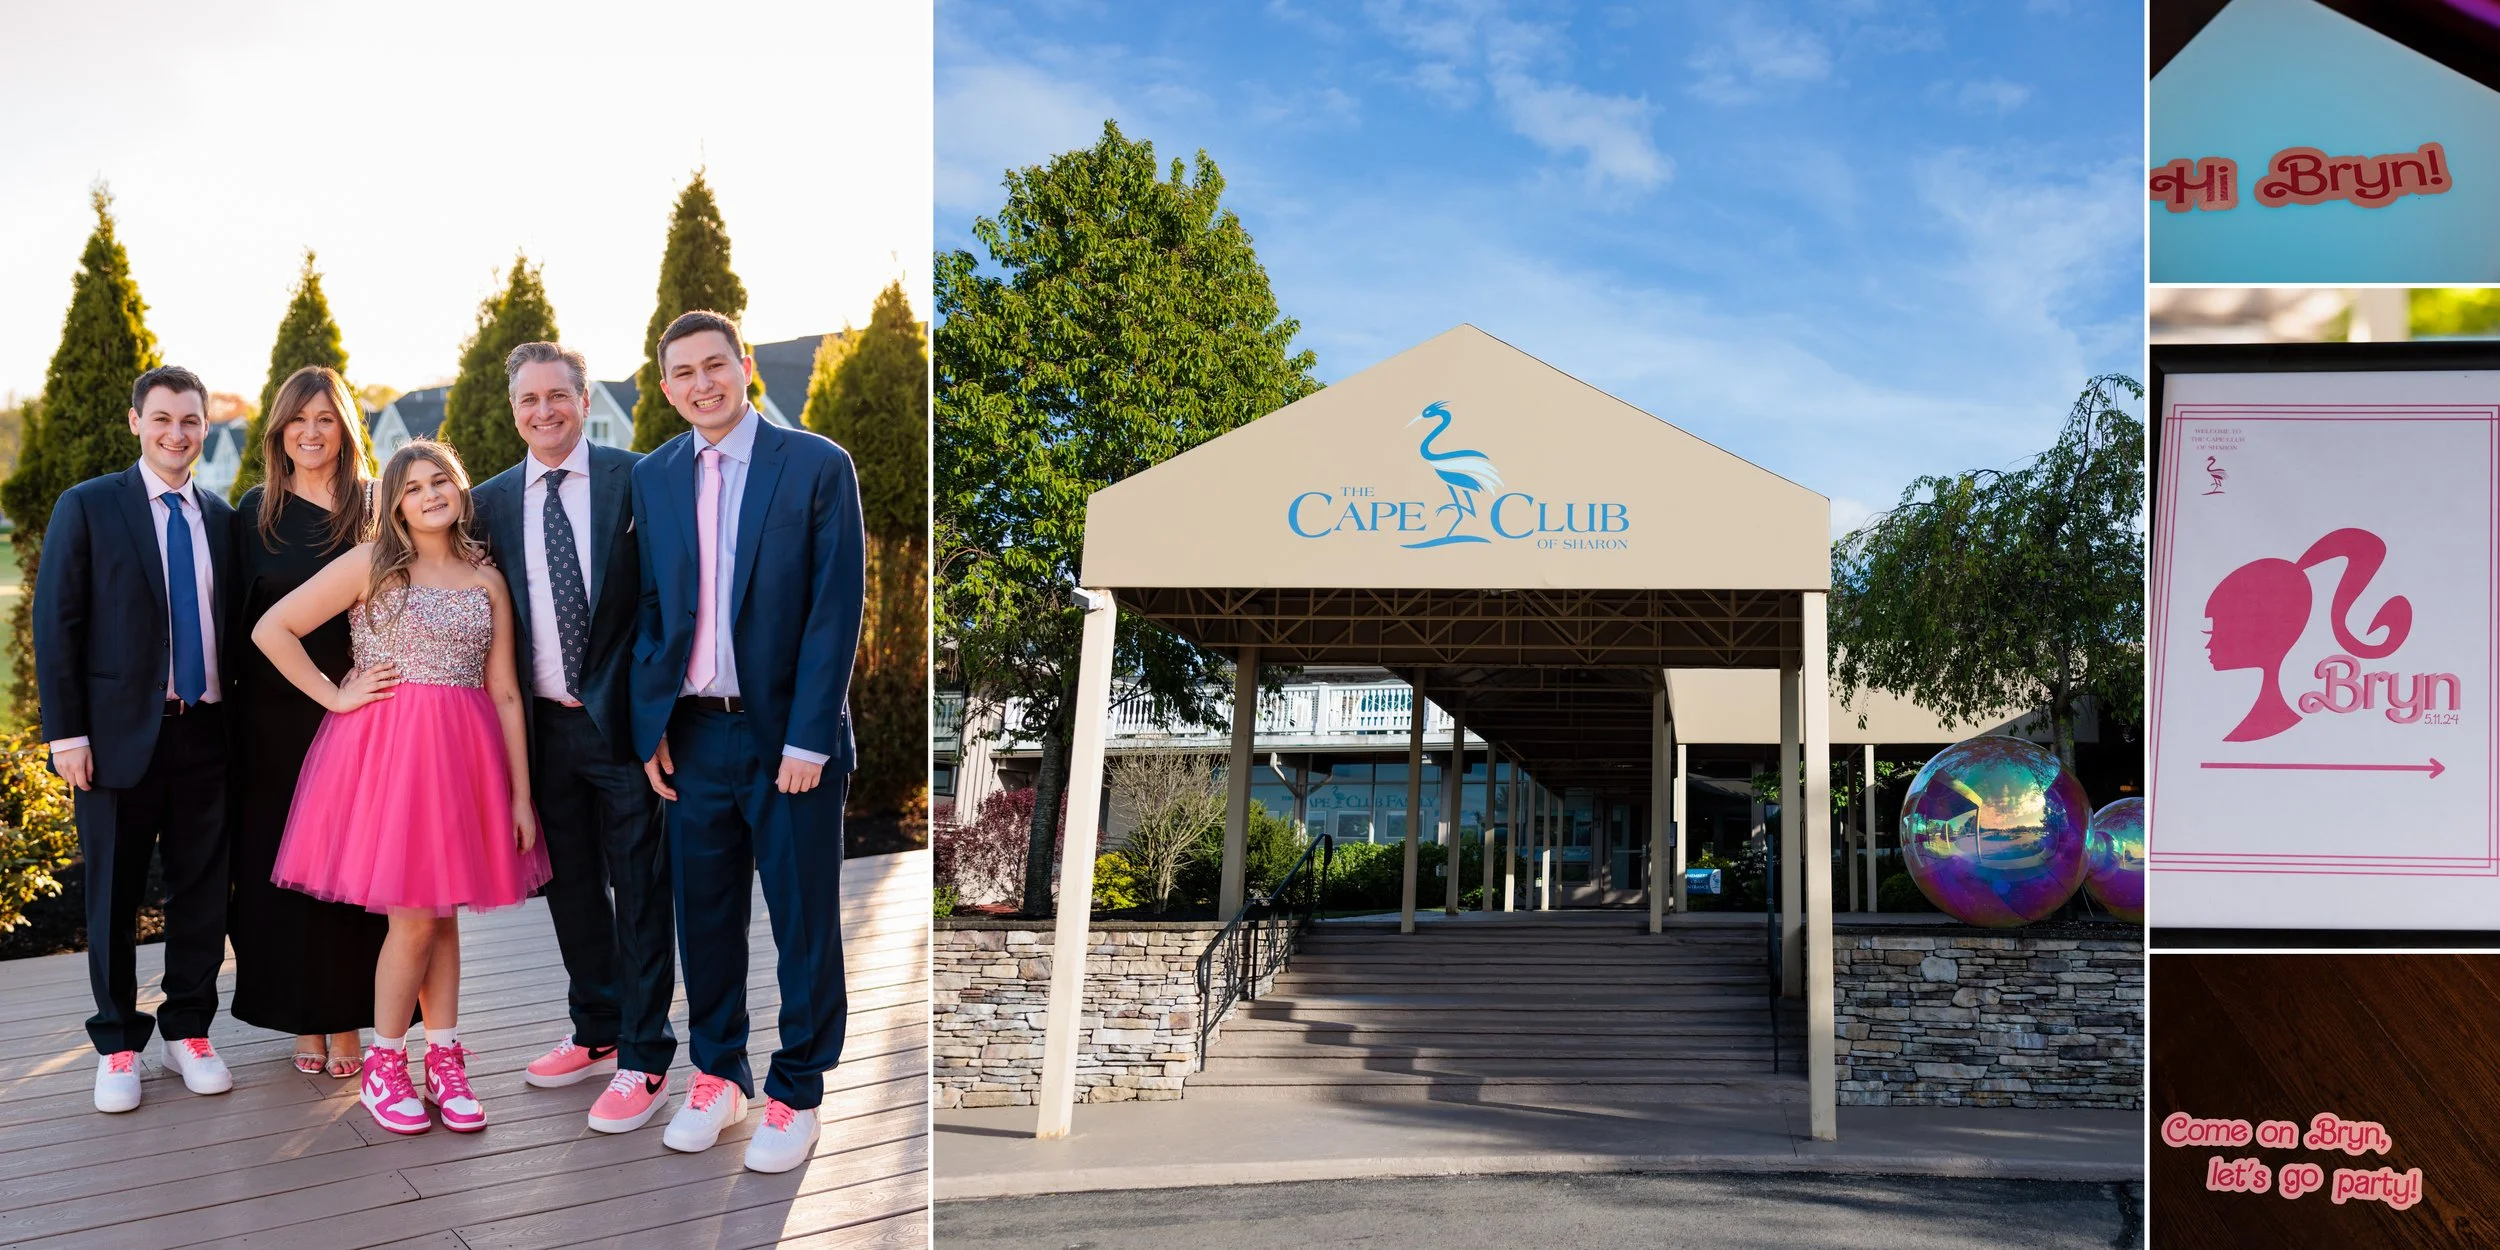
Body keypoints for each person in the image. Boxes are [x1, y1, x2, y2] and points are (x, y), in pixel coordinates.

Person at [254, 440, 550, 1136]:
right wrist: (335, 697)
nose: (428, 495)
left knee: (442, 916)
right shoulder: (374, 565)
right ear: (393, 503)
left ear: (459, 487)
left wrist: (518, 794)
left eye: (439, 481)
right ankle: (386, 1065)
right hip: (390, 758)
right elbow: (274, 629)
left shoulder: (486, 578)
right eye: (412, 487)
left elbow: (504, 691)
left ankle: (443, 1058)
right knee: (414, 917)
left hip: (466, 760)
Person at [629, 310, 864, 1174]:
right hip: (691, 735)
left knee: (803, 923)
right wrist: (648, 723)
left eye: (715, 366)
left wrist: (808, 737)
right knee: (707, 919)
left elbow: (835, 612)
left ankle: (797, 1091)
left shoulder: (814, 465)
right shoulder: (654, 477)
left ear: (745, 365)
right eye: (683, 373)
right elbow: (654, 609)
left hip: (786, 742)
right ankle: (718, 1076)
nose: (702, 384)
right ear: (665, 388)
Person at [471, 342, 674, 1133]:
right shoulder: (488, 503)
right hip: (539, 729)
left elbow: (663, 602)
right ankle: (595, 1028)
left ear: (585, 400)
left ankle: (646, 1054)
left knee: (641, 891)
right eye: (529, 399)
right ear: (513, 408)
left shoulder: (639, 481)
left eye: (559, 395)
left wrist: (655, 717)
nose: (544, 411)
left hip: (623, 728)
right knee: (571, 889)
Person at [35, 364, 238, 1114]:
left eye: (189, 420)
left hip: (209, 735)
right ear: (136, 423)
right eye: (162, 419)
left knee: (202, 896)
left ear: (204, 428)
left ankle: (189, 1029)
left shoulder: (220, 517)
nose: (176, 433)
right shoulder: (88, 507)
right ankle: (118, 1041)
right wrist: (68, 736)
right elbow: (56, 626)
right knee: (114, 896)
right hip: (117, 741)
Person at [226, 365, 384, 1079]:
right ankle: (303, 1017)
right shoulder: (253, 513)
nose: (312, 432)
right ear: (279, 431)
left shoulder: (377, 509)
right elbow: (239, 626)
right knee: (280, 871)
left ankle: (348, 1017)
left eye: (326, 418)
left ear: (345, 428)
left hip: (361, 709)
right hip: (273, 721)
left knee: (351, 871)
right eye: (299, 419)